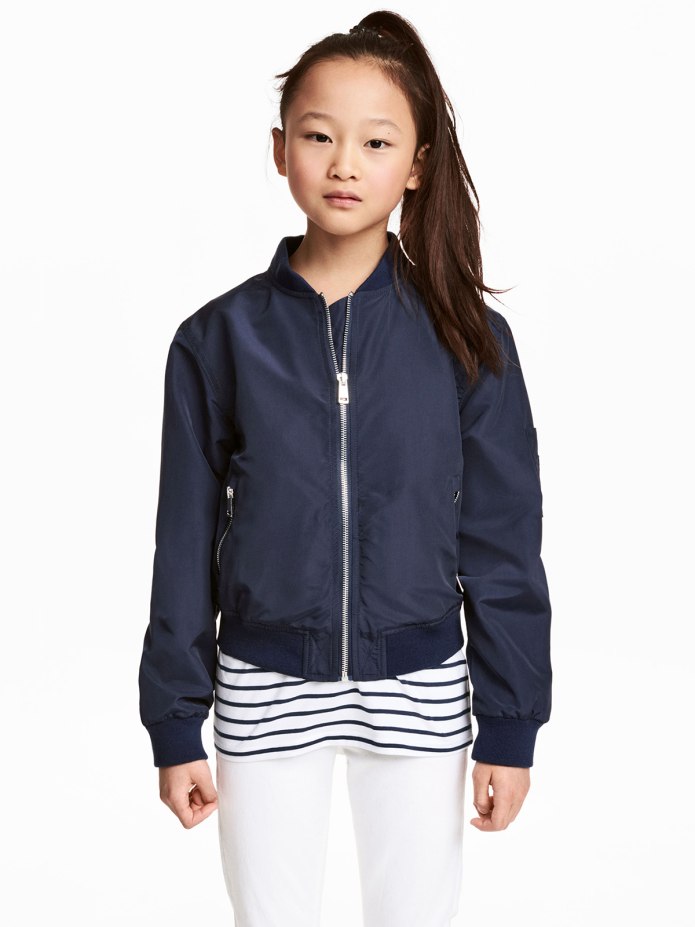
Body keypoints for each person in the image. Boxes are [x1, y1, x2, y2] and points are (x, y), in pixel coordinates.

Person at [138, 11, 552, 927]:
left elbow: (501, 539)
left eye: (376, 142)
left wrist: (511, 720)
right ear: (279, 148)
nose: (343, 165)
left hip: (418, 686)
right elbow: (183, 542)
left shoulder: (467, 339)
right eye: (319, 136)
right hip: (263, 683)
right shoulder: (217, 340)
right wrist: (174, 719)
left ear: (417, 165)